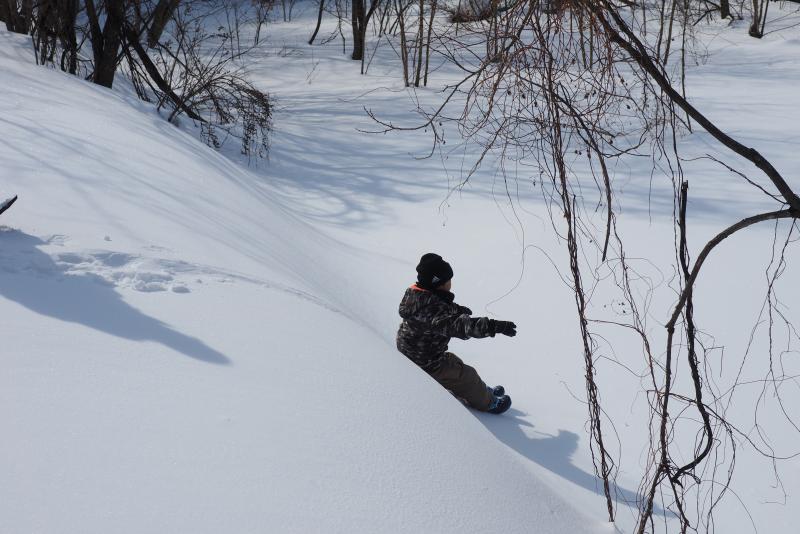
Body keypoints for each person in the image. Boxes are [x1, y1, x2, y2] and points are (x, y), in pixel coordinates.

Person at [396, 253, 516, 414]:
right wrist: (494, 326)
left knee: (453, 360)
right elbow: (461, 326)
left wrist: (457, 309)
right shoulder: (433, 312)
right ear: (438, 283)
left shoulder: (416, 295)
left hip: (415, 352)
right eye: (448, 280)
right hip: (425, 362)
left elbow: (438, 306)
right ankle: (488, 402)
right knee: (466, 376)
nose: (450, 283)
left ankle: (481, 389)